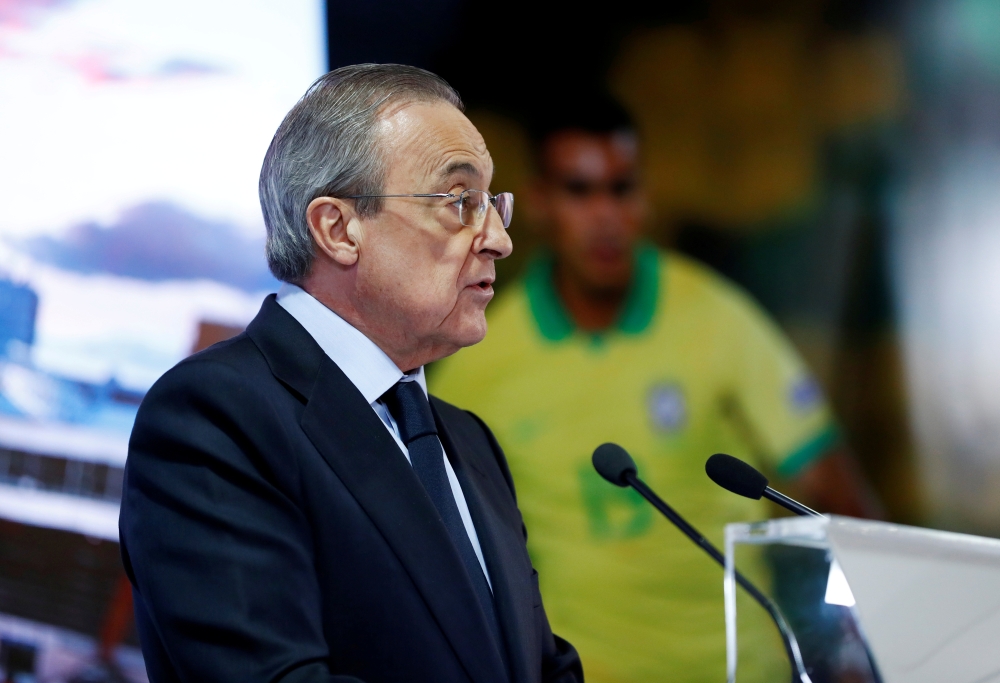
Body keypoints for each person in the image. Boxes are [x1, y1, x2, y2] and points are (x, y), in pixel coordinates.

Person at [118, 64, 583, 683]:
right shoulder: (214, 417)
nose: (498, 239)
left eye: (493, 204)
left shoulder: (468, 441)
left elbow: (537, 667)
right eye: (459, 202)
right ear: (338, 229)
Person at [430, 95, 881, 682]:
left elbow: (837, 500)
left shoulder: (717, 317)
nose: (605, 217)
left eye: (621, 189)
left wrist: (855, 646)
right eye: (579, 191)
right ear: (538, 202)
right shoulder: (476, 355)